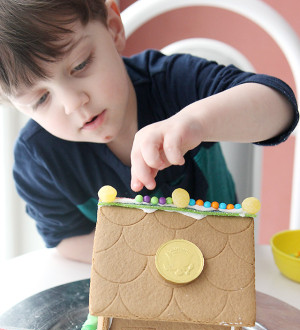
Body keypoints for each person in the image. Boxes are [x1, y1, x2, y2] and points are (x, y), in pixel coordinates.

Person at [0, 0, 298, 263]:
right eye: (40, 99)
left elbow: (281, 109)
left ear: (114, 28)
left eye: (80, 65)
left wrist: (196, 121)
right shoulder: (38, 160)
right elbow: (66, 239)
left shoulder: (173, 82)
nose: (73, 103)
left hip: (223, 260)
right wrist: (147, 253)